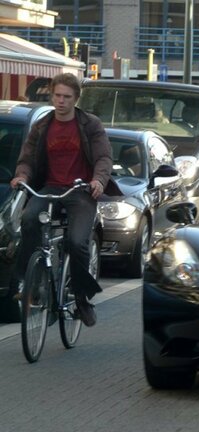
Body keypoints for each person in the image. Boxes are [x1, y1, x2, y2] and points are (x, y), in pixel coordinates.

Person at [10, 73, 121, 327]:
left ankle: (82, 299)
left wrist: (98, 181)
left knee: (76, 241)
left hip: (80, 191)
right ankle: (28, 282)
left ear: (76, 99)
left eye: (66, 97)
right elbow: (26, 158)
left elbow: (103, 157)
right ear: (52, 96)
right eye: (57, 96)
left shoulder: (90, 124)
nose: (61, 101)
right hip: (49, 188)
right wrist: (22, 176)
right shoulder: (42, 125)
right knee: (28, 221)